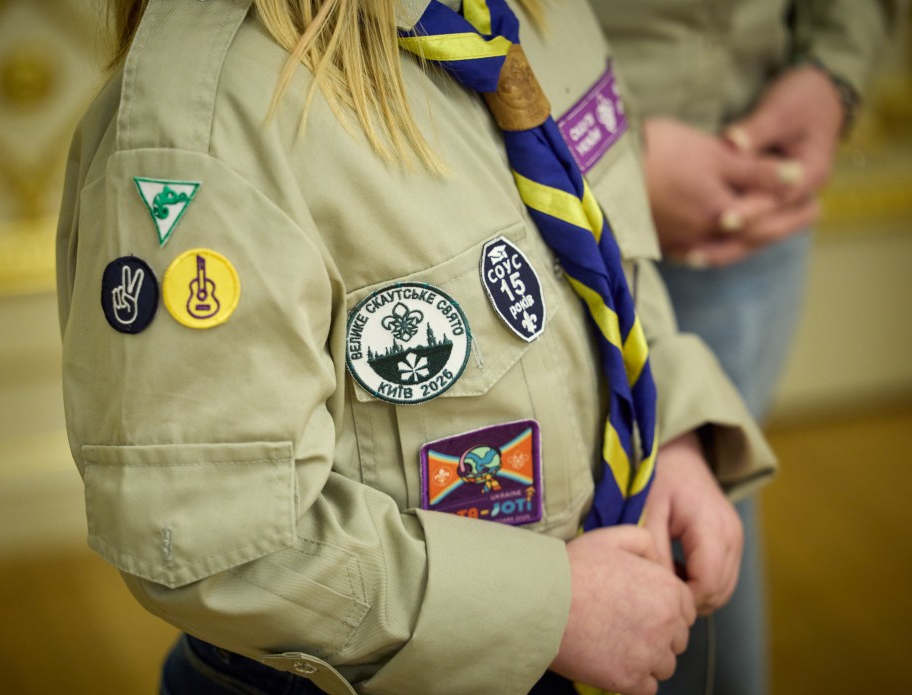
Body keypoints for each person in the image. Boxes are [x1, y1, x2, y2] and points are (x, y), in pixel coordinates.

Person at [56, 1, 775, 693]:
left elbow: (601, 256)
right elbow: (212, 541)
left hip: (624, 596)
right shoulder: (212, 125)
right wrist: (547, 611)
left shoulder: (544, 14)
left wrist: (671, 429)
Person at [590, 2, 897, 692]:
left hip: (751, 192)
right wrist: (618, 156)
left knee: (708, 514)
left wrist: (835, 74)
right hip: (553, 177)